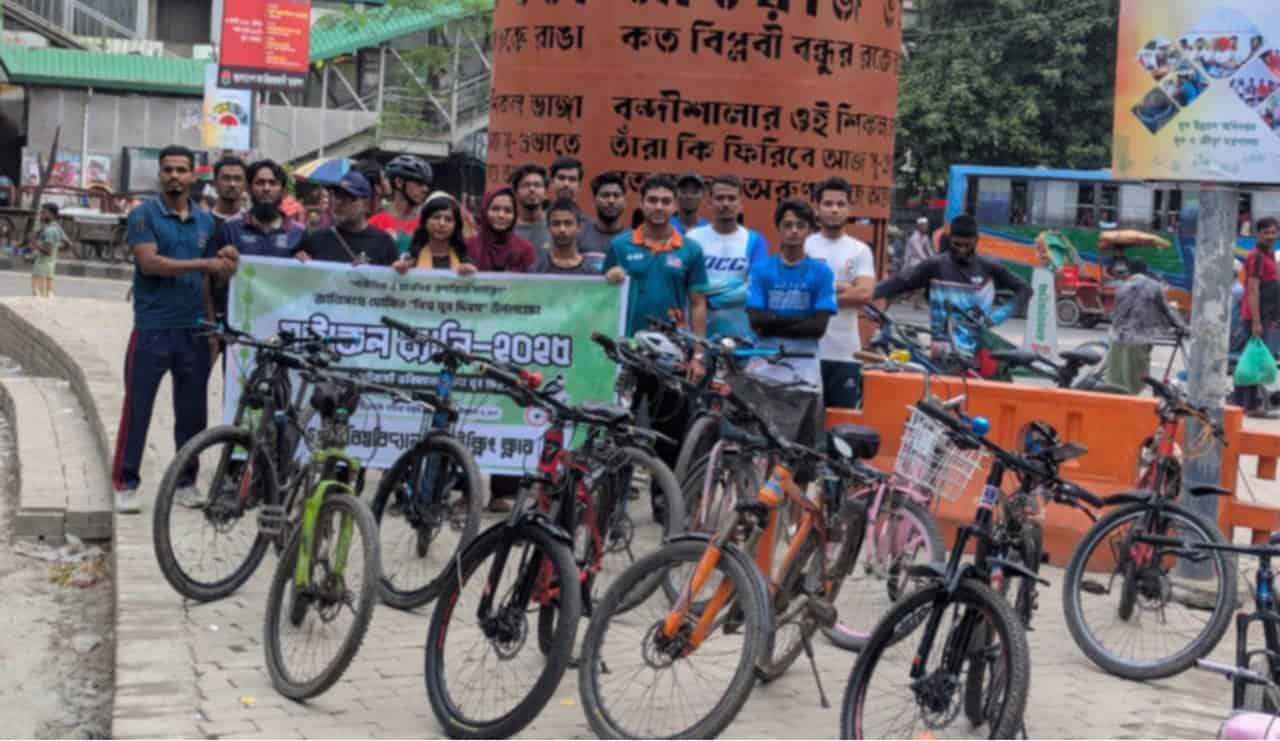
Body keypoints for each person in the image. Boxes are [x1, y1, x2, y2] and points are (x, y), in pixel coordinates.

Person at [112, 145, 236, 514]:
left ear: (193, 176)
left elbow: (209, 280)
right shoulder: (143, 215)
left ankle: (186, 482)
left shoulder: (207, 223)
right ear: (160, 174)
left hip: (195, 330)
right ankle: (126, 483)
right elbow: (150, 264)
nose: (175, 176)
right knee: (138, 409)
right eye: (168, 170)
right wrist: (207, 263)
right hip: (152, 330)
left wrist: (213, 326)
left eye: (182, 170)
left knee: (192, 412)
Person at [605, 173, 709, 522]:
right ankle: (614, 503)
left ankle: (664, 503)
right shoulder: (621, 246)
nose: (659, 207)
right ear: (642, 203)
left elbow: (697, 303)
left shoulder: (690, 250)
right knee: (622, 428)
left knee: (670, 434)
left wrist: (698, 352)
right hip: (629, 355)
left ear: (675, 205)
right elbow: (604, 297)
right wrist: (610, 279)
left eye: (666, 201)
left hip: (673, 358)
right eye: (653, 200)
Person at [874, 213, 1031, 364]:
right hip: (941, 355)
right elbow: (898, 282)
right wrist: (865, 294)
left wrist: (994, 318)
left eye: (967, 245)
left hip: (976, 354)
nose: (962, 250)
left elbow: (1025, 290)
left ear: (976, 241)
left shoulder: (989, 266)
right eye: (957, 244)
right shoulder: (934, 265)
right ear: (949, 240)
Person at [746, 199, 836, 444]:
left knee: (799, 451)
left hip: (804, 372)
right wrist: (801, 320)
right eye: (788, 225)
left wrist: (773, 321)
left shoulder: (822, 273)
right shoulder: (761, 270)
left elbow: (818, 328)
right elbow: (756, 321)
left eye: (800, 225)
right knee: (760, 444)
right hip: (764, 370)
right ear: (778, 228)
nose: (794, 231)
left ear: (809, 230)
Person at [204, 159, 306, 327]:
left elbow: (307, 284)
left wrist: (305, 262)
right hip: (240, 324)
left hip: (282, 324)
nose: (266, 188)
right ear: (249, 189)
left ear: (282, 190)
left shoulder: (299, 232)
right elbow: (214, 282)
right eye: (260, 183)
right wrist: (223, 267)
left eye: (272, 183)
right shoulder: (230, 228)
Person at [805, 177, 875, 407]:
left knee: (841, 425)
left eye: (840, 204)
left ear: (849, 208)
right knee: (804, 427)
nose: (834, 209)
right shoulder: (805, 246)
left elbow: (864, 294)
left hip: (846, 353)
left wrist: (820, 293)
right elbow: (799, 293)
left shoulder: (860, 250)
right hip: (807, 352)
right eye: (828, 203)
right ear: (817, 208)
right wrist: (844, 287)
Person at [686, 175, 769, 340]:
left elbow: (755, 289)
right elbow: (686, 285)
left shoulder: (755, 241)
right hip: (698, 337)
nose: (725, 203)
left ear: (740, 204)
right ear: (709, 202)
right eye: (720, 198)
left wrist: (707, 297)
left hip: (742, 337)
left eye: (731, 198)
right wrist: (736, 284)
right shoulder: (692, 238)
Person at [1103, 259, 1187, 395]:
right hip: (1138, 341)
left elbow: (1116, 314)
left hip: (1117, 339)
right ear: (1146, 271)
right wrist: (1182, 327)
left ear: (1130, 272)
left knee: (1116, 383)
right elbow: (1167, 310)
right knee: (1137, 385)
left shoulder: (1122, 286)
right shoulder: (1154, 286)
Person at [293, 172, 398, 267]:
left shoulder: (384, 243)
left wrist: (369, 274)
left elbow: (393, 284)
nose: (338, 202)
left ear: (365, 203)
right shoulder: (315, 240)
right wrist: (297, 263)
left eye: (348, 197)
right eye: (337, 195)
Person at [1237, 217, 1280, 416]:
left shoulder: (1269, 254)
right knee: (1253, 361)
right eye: (1266, 232)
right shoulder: (1257, 256)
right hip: (1255, 315)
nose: (1271, 236)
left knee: (1253, 359)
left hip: (1265, 314)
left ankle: (1243, 402)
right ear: (1258, 234)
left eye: (1273, 232)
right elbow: (1253, 289)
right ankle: (1249, 405)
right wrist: (1255, 321)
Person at [368, 154, 434, 257]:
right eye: (419, 183)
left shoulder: (430, 222)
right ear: (399, 182)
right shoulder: (375, 222)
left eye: (426, 184)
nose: (425, 189)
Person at [393, 196, 476, 274]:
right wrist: (400, 270)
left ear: (455, 226)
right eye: (436, 217)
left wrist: (470, 273)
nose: (442, 223)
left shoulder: (464, 260)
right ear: (425, 222)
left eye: (448, 219)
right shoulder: (410, 259)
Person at [466, 186, 539, 273]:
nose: (501, 215)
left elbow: (533, 283)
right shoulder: (469, 246)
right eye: (495, 209)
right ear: (485, 211)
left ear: (515, 215)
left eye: (508, 211)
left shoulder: (525, 249)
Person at [531, 198, 604, 274]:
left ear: (579, 227)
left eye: (568, 223)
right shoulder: (537, 269)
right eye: (556, 223)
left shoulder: (592, 272)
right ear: (548, 227)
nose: (562, 229)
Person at [578, 171, 628, 254]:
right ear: (594, 201)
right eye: (605, 195)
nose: (611, 201)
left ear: (624, 201)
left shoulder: (633, 240)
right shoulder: (579, 237)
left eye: (616, 195)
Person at [30, 202, 69, 298]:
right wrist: (56, 249)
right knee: (48, 295)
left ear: (51, 215)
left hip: (41, 270)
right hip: (49, 269)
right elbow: (68, 244)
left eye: (43, 213)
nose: (41, 215)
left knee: (39, 295)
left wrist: (35, 245)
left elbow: (48, 252)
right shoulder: (56, 227)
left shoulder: (49, 230)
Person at [509, 163, 551, 251]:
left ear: (546, 192)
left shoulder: (557, 225)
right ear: (515, 192)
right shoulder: (506, 227)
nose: (532, 189)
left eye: (537, 185)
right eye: (526, 185)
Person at [209, 156, 247, 229]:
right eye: (226, 178)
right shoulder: (203, 222)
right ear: (215, 183)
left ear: (245, 184)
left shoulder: (254, 223)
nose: (232, 184)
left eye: (238, 179)